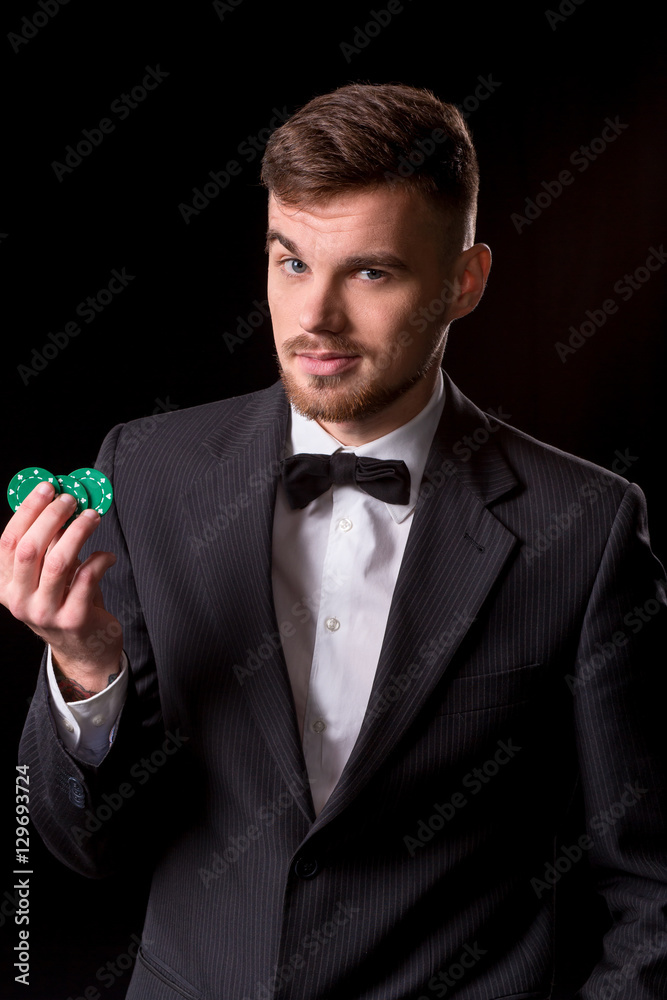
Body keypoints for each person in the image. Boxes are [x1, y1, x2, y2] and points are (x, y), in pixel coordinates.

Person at [3, 82, 667, 1000]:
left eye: (369, 272)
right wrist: (83, 667)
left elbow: (649, 882)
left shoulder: (586, 529)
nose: (313, 318)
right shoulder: (147, 473)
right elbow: (82, 852)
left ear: (464, 282)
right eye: (290, 263)